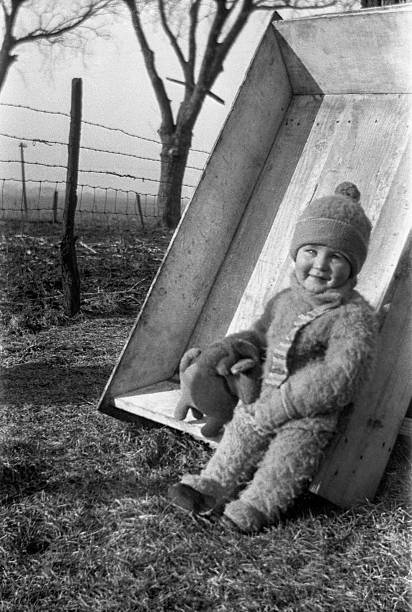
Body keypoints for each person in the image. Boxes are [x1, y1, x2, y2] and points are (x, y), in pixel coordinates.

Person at [168, 182, 378, 534]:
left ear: (353, 267)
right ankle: (210, 486)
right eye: (311, 250)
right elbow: (260, 335)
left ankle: (256, 505)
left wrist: (285, 403)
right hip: (260, 398)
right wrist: (234, 346)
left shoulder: (353, 318)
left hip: (308, 414)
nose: (320, 265)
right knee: (239, 435)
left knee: (289, 458)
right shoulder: (285, 300)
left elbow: (341, 376)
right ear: (296, 253)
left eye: (337, 257)